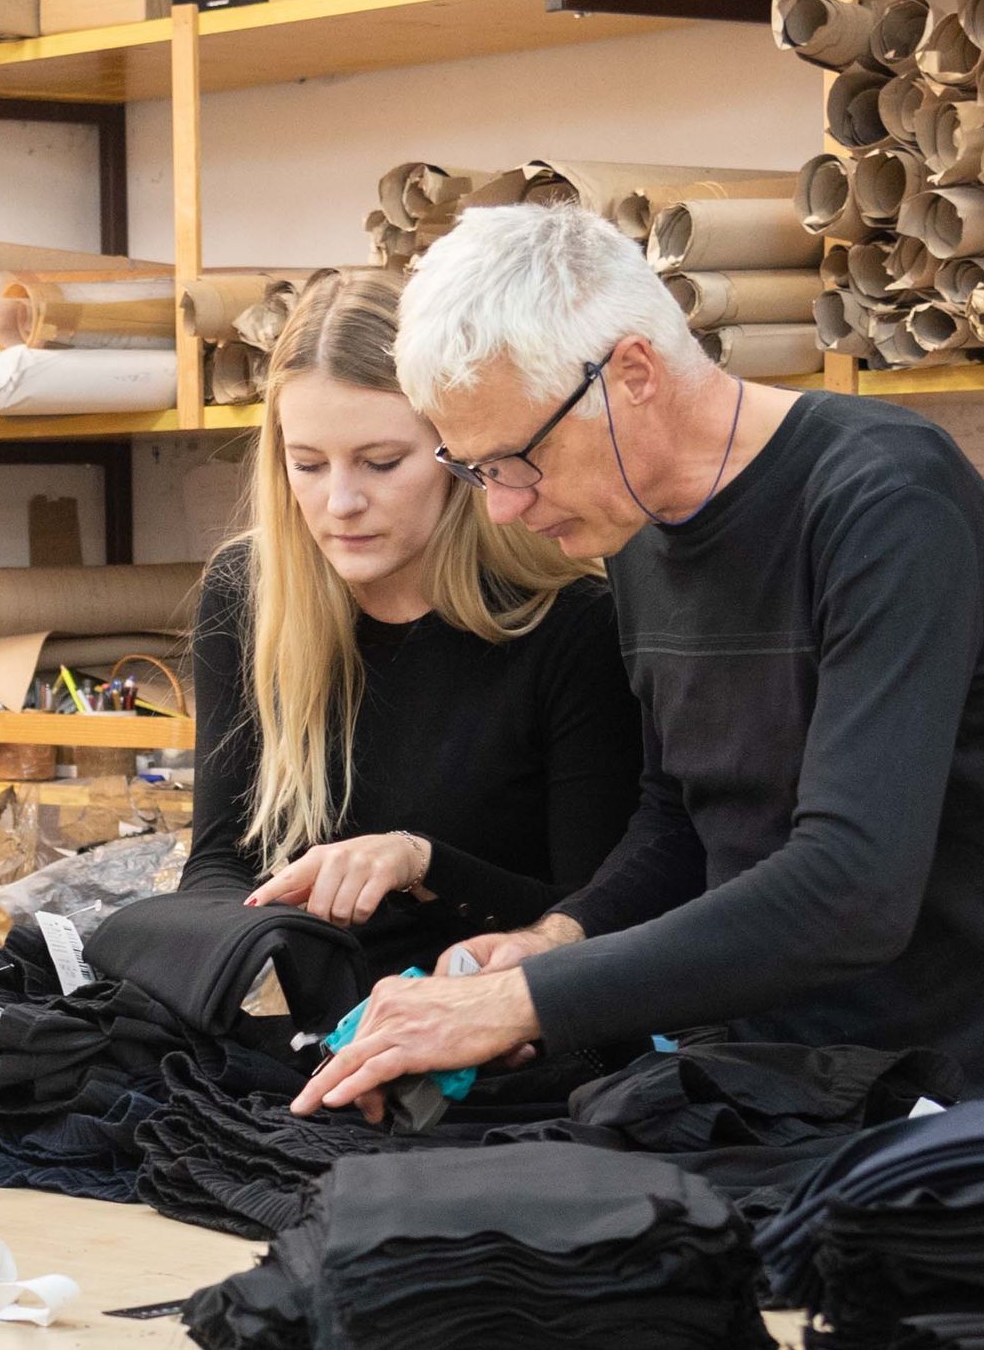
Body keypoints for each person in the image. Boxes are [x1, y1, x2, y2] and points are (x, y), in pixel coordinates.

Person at [292, 204, 984, 1121]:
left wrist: (520, 1002)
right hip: (788, 1076)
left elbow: (852, 889)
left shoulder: (885, 502)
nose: (504, 507)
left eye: (518, 460)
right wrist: (556, 940)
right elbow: (681, 819)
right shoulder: (635, 529)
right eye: (477, 470)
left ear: (632, 373)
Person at [181, 267, 643, 979]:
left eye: (381, 463)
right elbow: (217, 861)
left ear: (461, 450)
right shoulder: (249, 592)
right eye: (308, 465)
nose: (341, 503)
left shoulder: (574, 627)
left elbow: (593, 923)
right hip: (302, 1015)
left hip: (483, 1020)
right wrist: (252, 962)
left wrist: (421, 864)